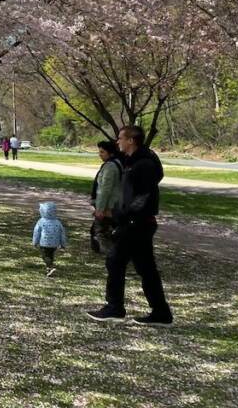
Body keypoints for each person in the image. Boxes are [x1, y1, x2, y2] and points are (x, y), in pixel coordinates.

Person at [87, 125, 173, 326]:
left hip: (137, 223)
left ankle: (115, 307)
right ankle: (161, 312)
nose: (117, 142)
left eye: (120, 138)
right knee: (145, 268)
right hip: (134, 223)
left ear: (131, 140)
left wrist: (116, 214)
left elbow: (142, 198)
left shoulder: (144, 165)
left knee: (116, 261)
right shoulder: (131, 161)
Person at [90, 139, 123, 256]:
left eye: (102, 152)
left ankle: (111, 254)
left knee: (100, 231)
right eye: (99, 152)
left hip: (109, 205)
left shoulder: (110, 166)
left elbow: (105, 189)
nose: (100, 154)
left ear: (111, 153)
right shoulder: (117, 163)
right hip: (113, 204)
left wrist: (100, 208)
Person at [32, 201, 67, 277]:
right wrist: (63, 244)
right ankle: (49, 269)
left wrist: (35, 242)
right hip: (55, 244)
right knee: (51, 254)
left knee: (45, 256)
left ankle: (50, 267)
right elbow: (62, 234)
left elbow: (36, 232)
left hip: (44, 243)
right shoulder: (58, 222)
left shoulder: (41, 221)